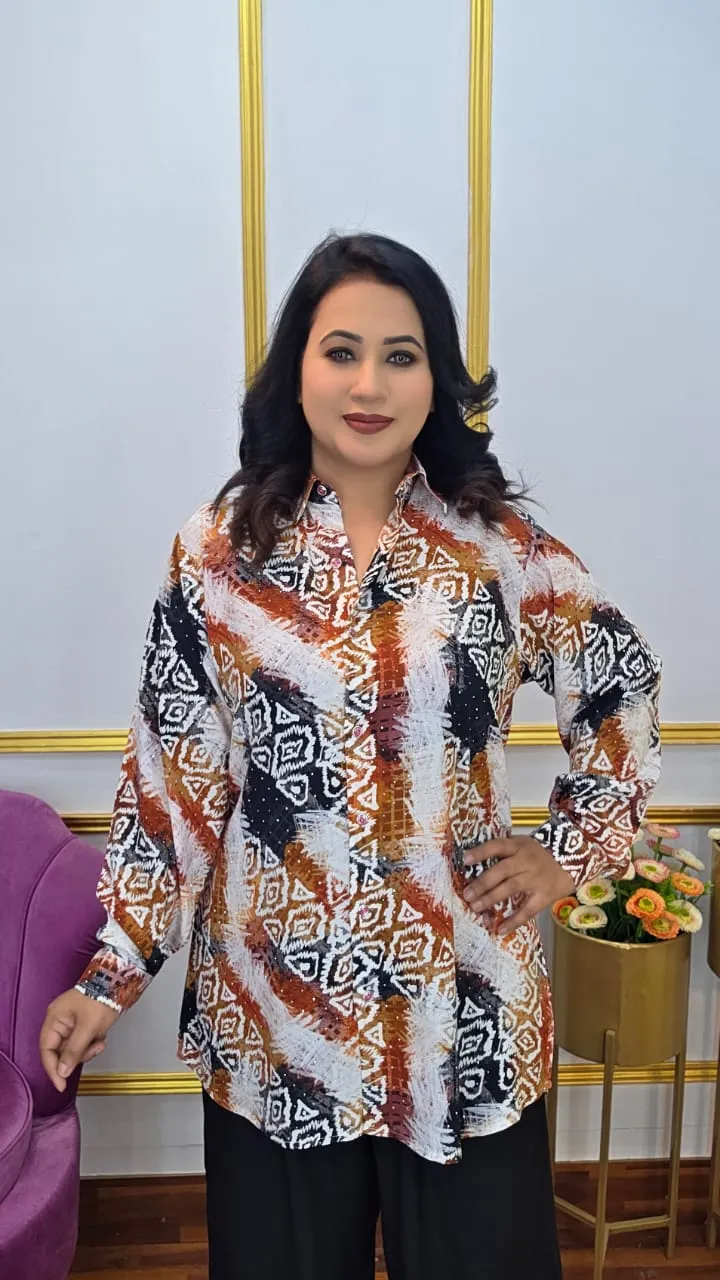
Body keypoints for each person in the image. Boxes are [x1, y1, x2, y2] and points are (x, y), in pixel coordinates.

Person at [40, 232, 661, 1279]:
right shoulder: (217, 554)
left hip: (463, 1011)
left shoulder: (501, 550)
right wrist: (110, 974)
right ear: (297, 371)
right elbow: (175, 783)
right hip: (278, 1015)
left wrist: (568, 851)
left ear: (436, 380)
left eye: (400, 356)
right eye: (341, 351)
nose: (369, 384)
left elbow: (619, 684)